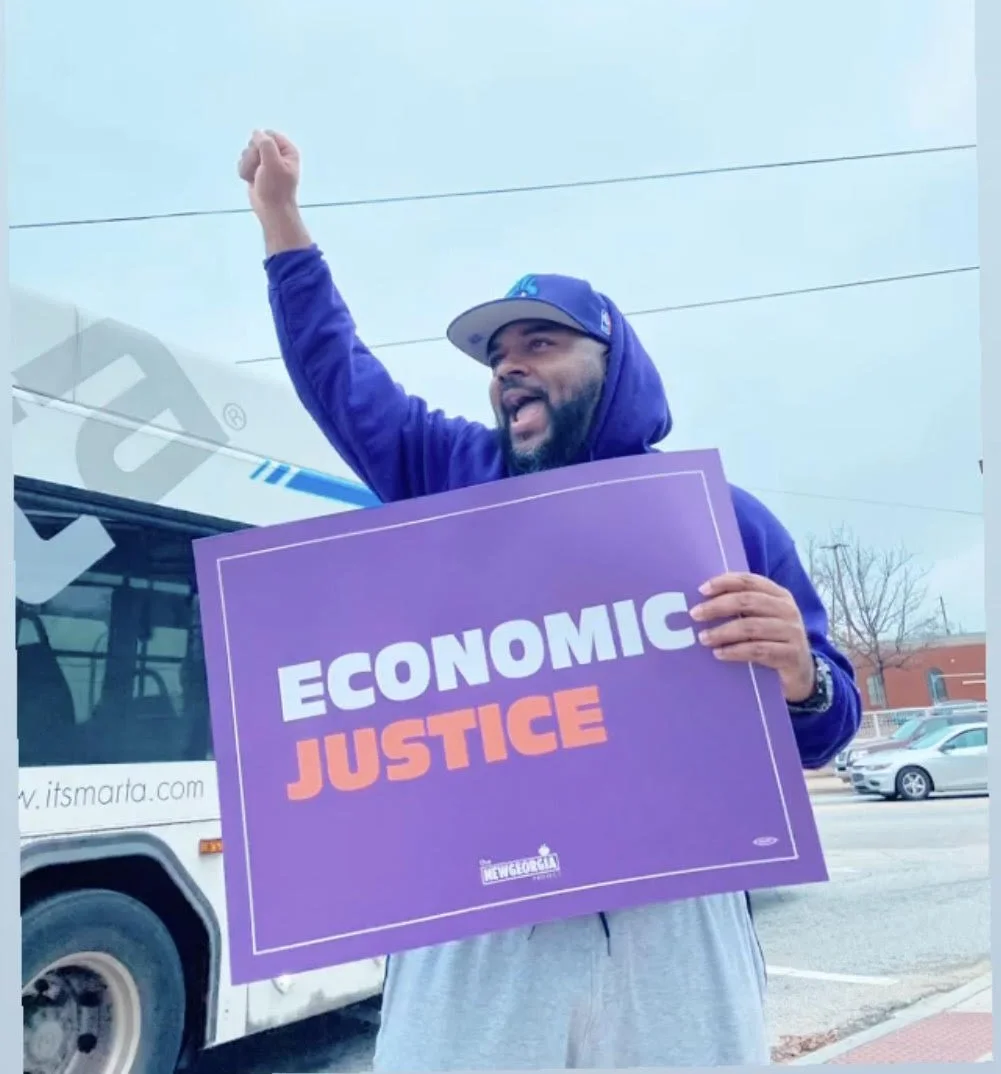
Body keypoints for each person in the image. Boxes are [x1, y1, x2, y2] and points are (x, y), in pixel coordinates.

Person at [238, 129, 862, 1071]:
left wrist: (799, 673)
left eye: (540, 342)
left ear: (614, 364)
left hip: (675, 922)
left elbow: (826, 729)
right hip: (478, 920)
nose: (508, 365)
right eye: (496, 354)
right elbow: (339, 376)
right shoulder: (449, 473)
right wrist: (281, 221)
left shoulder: (719, 517)